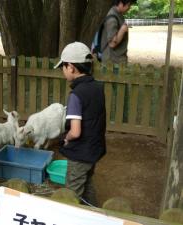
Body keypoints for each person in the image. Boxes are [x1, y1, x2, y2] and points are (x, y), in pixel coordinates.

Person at [54, 42, 106, 206]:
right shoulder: (97, 88)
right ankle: (94, 214)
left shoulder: (76, 95)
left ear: (71, 67)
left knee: (72, 193)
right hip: (94, 149)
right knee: (88, 185)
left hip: (80, 153)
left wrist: (66, 138)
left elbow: (75, 132)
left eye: (63, 66)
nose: (63, 70)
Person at [101, 0, 137, 64]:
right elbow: (112, 44)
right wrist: (122, 30)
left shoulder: (118, 14)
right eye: (128, 5)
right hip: (113, 61)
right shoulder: (112, 19)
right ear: (120, 3)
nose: (129, 7)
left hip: (117, 60)